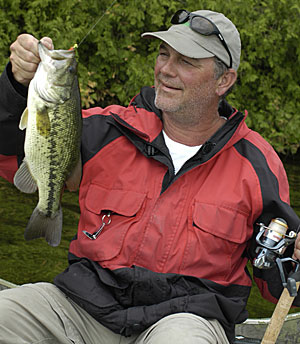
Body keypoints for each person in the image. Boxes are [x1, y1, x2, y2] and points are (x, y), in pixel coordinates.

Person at [0, 8, 300, 344]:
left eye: (186, 62)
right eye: (163, 54)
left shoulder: (257, 164)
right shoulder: (106, 129)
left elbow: (279, 280)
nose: (166, 70)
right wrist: (15, 84)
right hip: (83, 307)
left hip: (185, 320)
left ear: (224, 80)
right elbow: (11, 158)